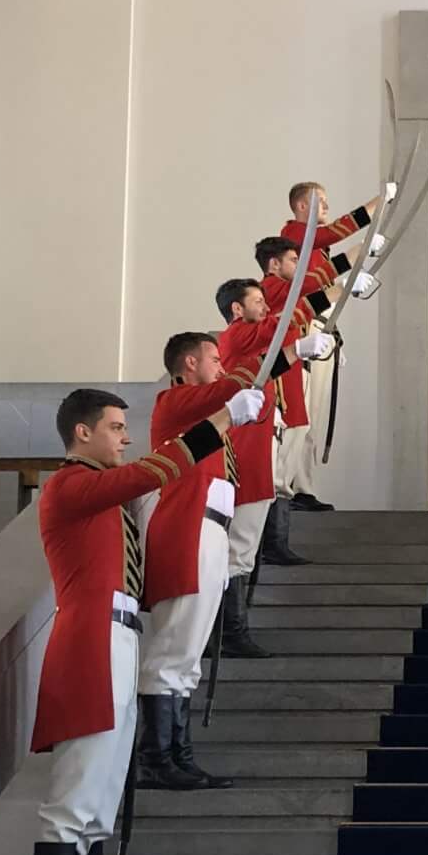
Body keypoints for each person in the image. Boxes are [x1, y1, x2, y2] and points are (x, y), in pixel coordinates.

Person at [28, 386, 239, 855]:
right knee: (72, 803)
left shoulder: (97, 493)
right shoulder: (70, 485)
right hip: (92, 640)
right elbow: (154, 471)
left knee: (96, 807)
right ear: (82, 434)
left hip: (119, 636)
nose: (125, 436)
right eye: (116, 427)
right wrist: (221, 419)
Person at [135, 332, 264, 791]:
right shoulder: (174, 400)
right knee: (173, 649)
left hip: (209, 527)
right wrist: (279, 353)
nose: (220, 365)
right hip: (186, 526)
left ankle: (177, 754)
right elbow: (229, 391)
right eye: (213, 357)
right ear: (189, 363)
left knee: (188, 654)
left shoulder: (197, 408)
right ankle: (156, 757)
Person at [214, 277, 332, 652]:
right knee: (238, 548)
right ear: (237, 308)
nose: (265, 308)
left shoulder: (254, 345)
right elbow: (282, 326)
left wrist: (298, 350)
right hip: (246, 458)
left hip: (260, 453)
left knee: (245, 548)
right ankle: (230, 632)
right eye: (257, 302)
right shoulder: (236, 336)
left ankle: (233, 629)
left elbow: (274, 357)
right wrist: (335, 288)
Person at [256, 231, 377, 541]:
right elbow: (313, 294)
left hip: (295, 370)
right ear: (273, 264)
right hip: (283, 377)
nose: (300, 267)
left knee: (298, 440)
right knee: (281, 461)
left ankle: (282, 526)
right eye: (294, 261)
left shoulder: (285, 290)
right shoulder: (273, 287)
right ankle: (274, 538)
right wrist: (355, 262)